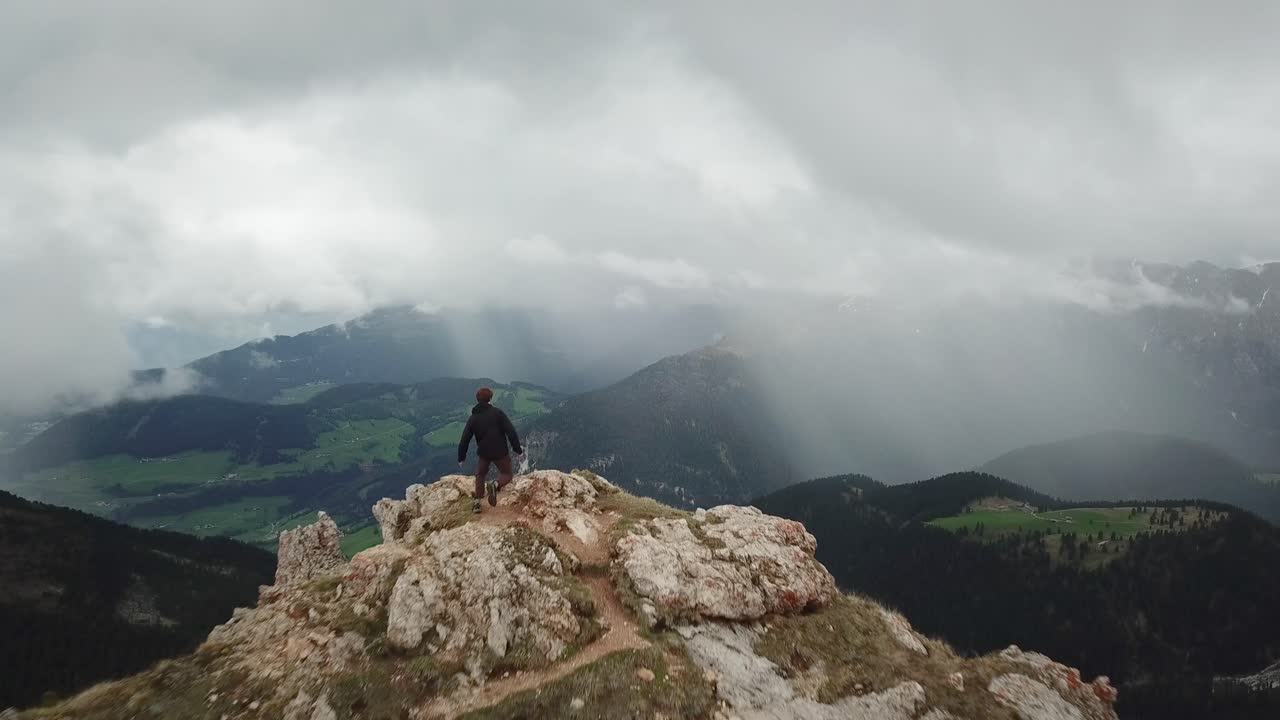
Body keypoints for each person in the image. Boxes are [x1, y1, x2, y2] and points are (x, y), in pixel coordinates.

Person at [457, 386, 524, 514]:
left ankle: (477, 502)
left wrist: (461, 457)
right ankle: (495, 485)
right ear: (490, 398)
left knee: (480, 474)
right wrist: (518, 450)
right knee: (507, 474)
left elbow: (465, 439)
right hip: (500, 452)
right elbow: (511, 431)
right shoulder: (497, 413)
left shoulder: (473, 418)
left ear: (477, 399)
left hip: (484, 453)